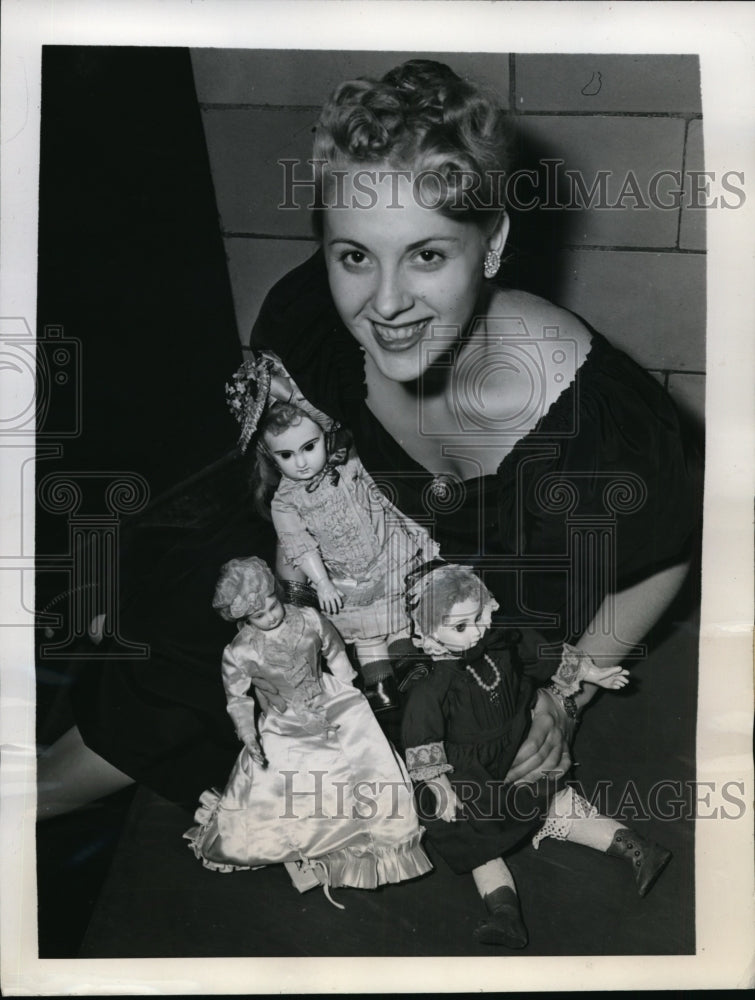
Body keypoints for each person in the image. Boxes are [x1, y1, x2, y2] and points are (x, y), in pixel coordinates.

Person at [38, 58, 701, 822]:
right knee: (191, 656)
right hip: (358, 568)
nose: (384, 303)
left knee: (425, 783)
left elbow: (662, 559)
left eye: (426, 254)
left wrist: (566, 699)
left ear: (490, 244)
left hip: (488, 616)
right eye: (354, 255)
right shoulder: (312, 324)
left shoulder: (601, 426)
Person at [400, 561, 670, 948]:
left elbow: (548, 655)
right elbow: (421, 736)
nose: (476, 631)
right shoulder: (432, 686)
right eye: (460, 627)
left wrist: (593, 674)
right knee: (475, 840)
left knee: (556, 803)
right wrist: (439, 784)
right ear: (428, 634)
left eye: (479, 617)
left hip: (520, 740)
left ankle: (639, 849)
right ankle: (505, 914)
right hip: (471, 772)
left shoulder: (502, 640)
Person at [183, 556, 432, 901]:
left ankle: (374, 832)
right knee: (287, 778)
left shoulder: (309, 618)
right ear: (242, 618)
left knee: (363, 760)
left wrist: (346, 684)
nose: (271, 615)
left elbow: (334, 650)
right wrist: (249, 734)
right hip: (285, 718)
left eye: (273, 604)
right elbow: (237, 698)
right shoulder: (239, 652)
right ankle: (300, 836)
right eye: (259, 615)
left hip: (330, 698)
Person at [227, 352, 439, 712]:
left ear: (325, 436)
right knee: (368, 634)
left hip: (387, 550)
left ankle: (410, 666)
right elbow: (299, 544)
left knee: (400, 618)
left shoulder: (351, 463)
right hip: (345, 575)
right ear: (271, 456)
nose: (302, 462)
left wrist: (413, 529)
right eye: (287, 455)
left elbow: (387, 495)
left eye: (309, 447)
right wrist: (322, 583)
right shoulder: (285, 501)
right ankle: (380, 686)